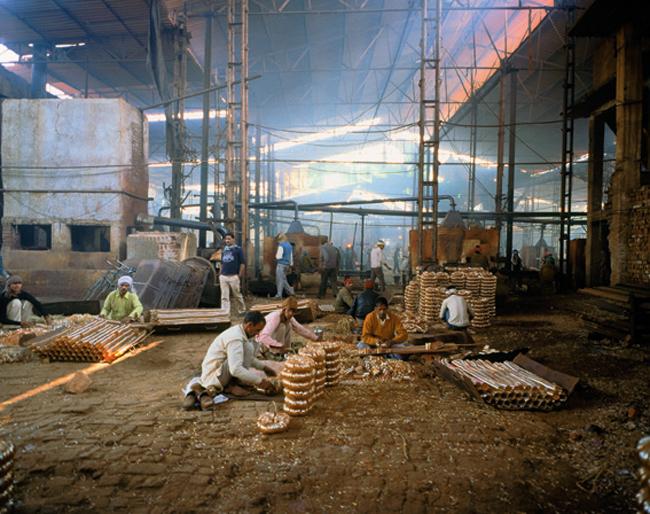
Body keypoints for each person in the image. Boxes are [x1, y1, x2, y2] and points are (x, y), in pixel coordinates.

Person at [182, 311, 276, 410]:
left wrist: (265, 368)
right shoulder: (235, 338)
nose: (258, 333)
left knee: (248, 347)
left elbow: (248, 358)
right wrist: (260, 382)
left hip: (222, 370)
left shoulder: (241, 333)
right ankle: (213, 390)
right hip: (214, 374)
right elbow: (235, 369)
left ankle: (231, 384)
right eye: (257, 330)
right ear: (249, 325)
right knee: (242, 357)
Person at [219, 232, 246, 314]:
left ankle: (242, 310)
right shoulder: (224, 250)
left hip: (233, 276)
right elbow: (222, 263)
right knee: (224, 296)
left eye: (229, 239)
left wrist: (239, 275)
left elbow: (242, 263)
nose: (227, 240)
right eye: (226, 239)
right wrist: (220, 273)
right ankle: (225, 312)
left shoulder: (238, 249)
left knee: (237, 295)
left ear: (233, 239)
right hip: (223, 276)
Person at [274, 234, 295, 299]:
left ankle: (279, 295)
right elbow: (291, 257)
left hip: (281, 264)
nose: (278, 242)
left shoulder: (281, 245)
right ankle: (291, 292)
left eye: (278, 241)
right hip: (287, 265)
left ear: (281, 239)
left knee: (279, 280)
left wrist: (276, 258)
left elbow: (278, 256)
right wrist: (291, 264)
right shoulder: (289, 245)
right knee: (283, 279)